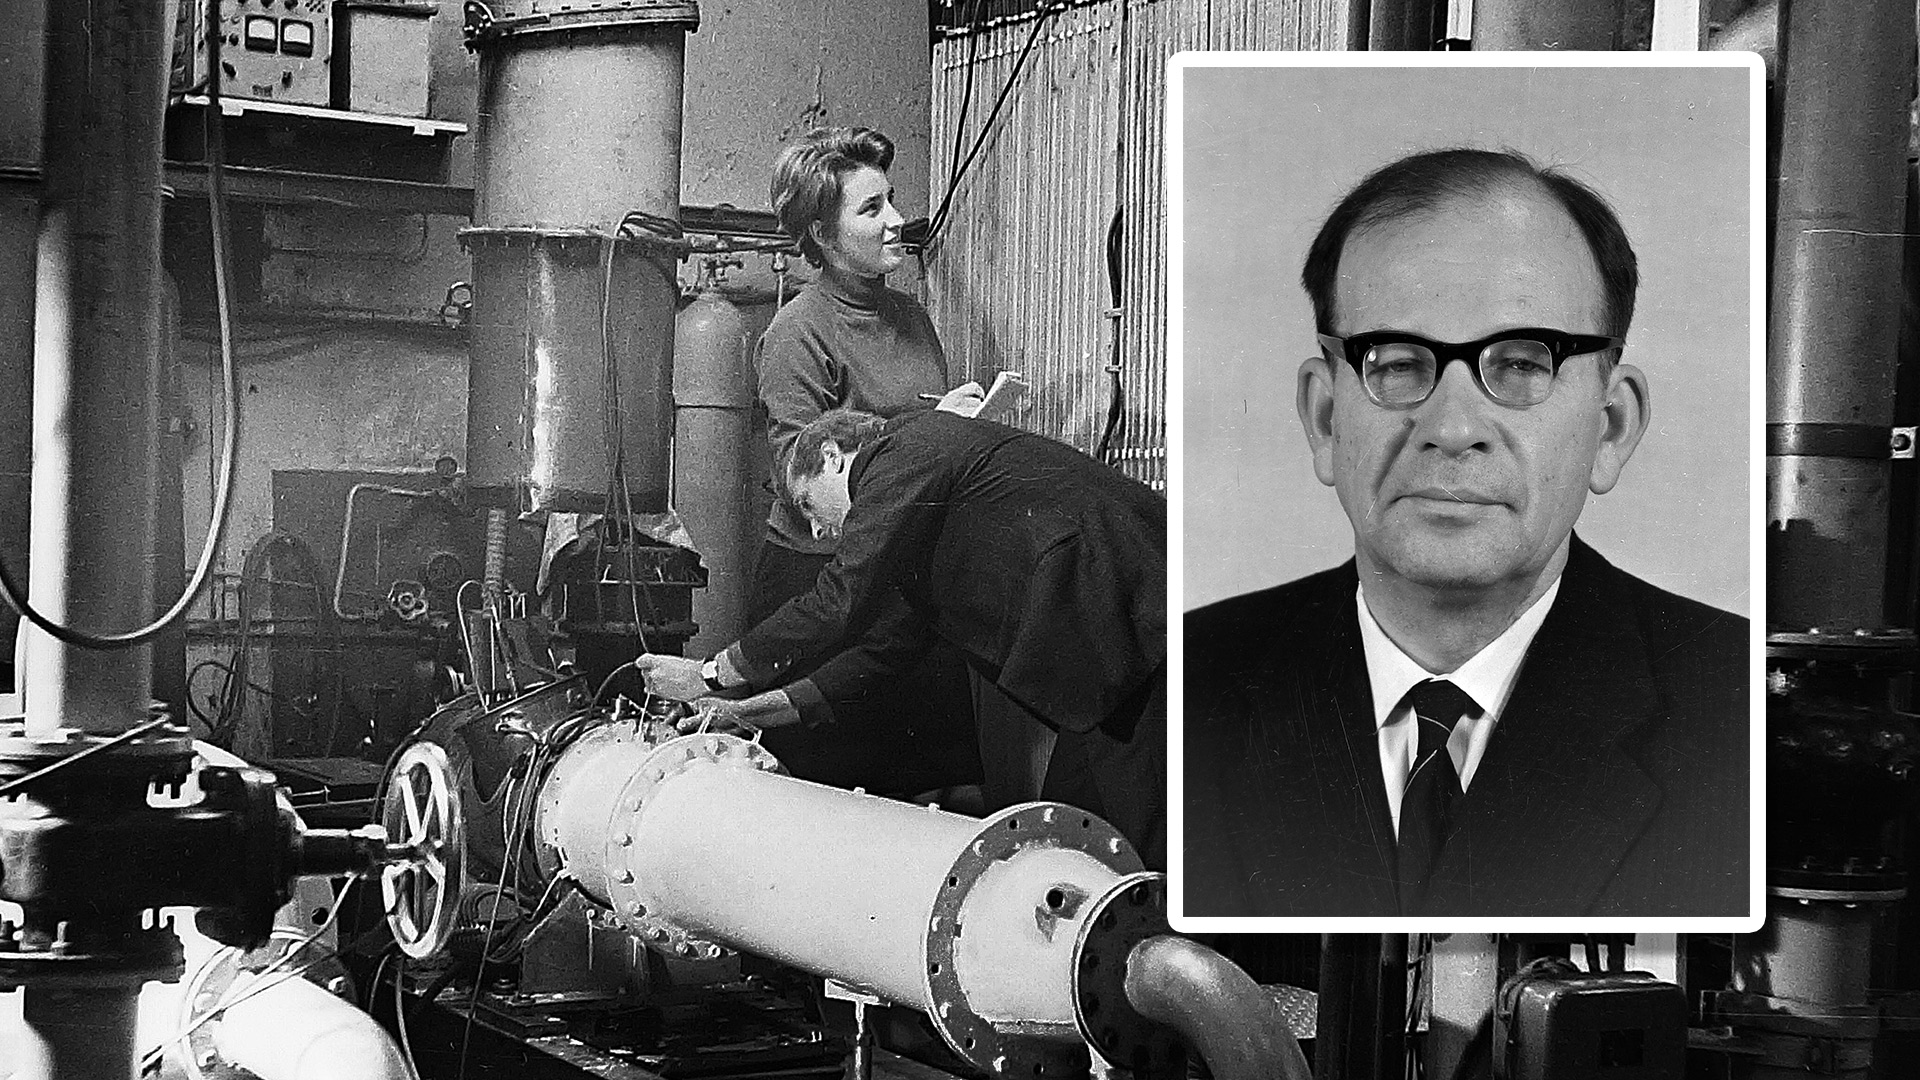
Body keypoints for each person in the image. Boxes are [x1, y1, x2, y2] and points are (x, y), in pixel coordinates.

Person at [1182, 149, 1748, 917]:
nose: (1451, 429)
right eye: (1396, 363)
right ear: (1325, 418)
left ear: (1611, 426)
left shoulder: (1745, 721)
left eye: (1520, 364)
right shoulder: (1184, 693)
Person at [638, 408, 1167, 869]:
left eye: (807, 505)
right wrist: (743, 712)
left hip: (1146, 631)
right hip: (1110, 666)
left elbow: (838, 599)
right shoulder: (915, 515)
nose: (818, 532)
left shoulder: (902, 452)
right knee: (1074, 842)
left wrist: (710, 674)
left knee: (1141, 845)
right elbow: (882, 652)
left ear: (832, 457)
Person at [749, 126, 981, 798]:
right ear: (823, 235)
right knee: (829, 800)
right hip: (822, 582)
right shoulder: (797, 332)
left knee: (930, 798)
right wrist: (927, 431)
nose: (896, 221)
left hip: (907, 575)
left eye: (892, 201)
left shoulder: (912, 316)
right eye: (871, 209)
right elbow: (799, 477)